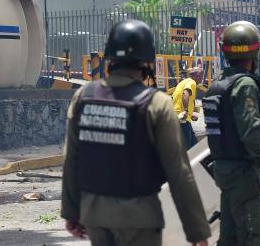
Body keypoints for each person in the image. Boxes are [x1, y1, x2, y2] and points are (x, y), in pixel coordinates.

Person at [61, 20, 210, 246]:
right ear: (147, 60)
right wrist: (198, 232)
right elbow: (179, 173)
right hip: (140, 219)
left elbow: (71, 158)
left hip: (96, 216)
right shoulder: (156, 104)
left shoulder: (83, 96)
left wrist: (71, 211)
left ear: (110, 56)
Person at [204, 21, 260, 246]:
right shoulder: (245, 85)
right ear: (255, 51)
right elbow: (249, 131)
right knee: (252, 236)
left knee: (229, 238)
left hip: (223, 171)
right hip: (242, 174)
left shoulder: (218, 86)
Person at [172, 67, 203, 149]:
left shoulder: (184, 82)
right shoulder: (191, 82)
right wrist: (185, 111)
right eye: (201, 76)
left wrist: (190, 115)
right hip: (182, 119)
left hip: (179, 117)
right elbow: (185, 93)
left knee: (194, 146)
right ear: (197, 75)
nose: (202, 78)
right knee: (188, 148)